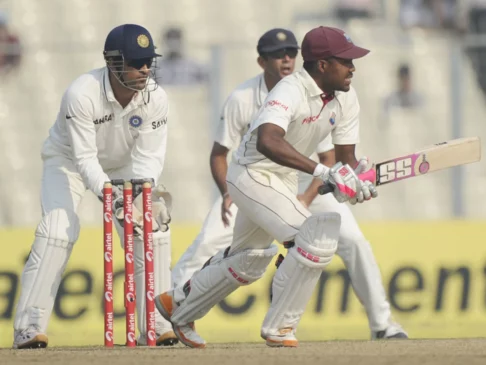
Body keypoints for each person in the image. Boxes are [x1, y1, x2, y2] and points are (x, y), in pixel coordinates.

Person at [155, 25, 391, 348]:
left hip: (283, 179)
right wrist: (325, 172)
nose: (353, 68)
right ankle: (280, 326)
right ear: (322, 65)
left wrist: (357, 180)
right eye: (345, 61)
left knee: (248, 259)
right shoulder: (289, 90)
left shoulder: (346, 98)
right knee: (318, 234)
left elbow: (347, 159)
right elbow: (267, 141)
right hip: (252, 173)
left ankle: (179, 306)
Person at [12, 23, 177, 349]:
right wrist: (109, 195)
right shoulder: (81, 94)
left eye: (148, 61)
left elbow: (149, 158)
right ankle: (29, 328)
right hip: (69, 162)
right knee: (57, 232)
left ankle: (156, 325)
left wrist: (141, 196)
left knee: (153, 227)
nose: (145, 69)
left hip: (126, 162)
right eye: (136, 62)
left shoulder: (156, 97)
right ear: (113, 62)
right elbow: (85, 157)